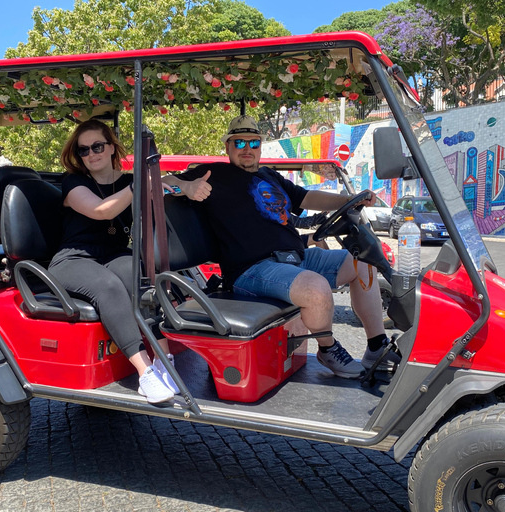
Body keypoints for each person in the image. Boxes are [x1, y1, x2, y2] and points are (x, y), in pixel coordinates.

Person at [164, 115, 397, 378]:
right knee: (316, 289)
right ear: (228, 147)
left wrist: (350, 199)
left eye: (254, 143)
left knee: (363, 260)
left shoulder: (269, 175)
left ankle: (377, 345)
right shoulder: (213, 173)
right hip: (252, 268)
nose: (247, 149)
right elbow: (162, 182)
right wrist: (187, 186)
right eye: (239, 143)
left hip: (295, 258)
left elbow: (306, 196)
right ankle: (328, 348)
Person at [49, 119, 178, 403]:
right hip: (73, 258)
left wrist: (185, 185)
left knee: (144, 278)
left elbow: (164, 182)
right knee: (108, 287)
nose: (91, 154)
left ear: (111, 147)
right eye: (83, 150)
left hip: (113, 253)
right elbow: (101, 211)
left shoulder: (128, 180)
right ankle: (146, 374)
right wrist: (138, 186)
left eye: (97, 146)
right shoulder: (74, 182)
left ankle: (165, 362)